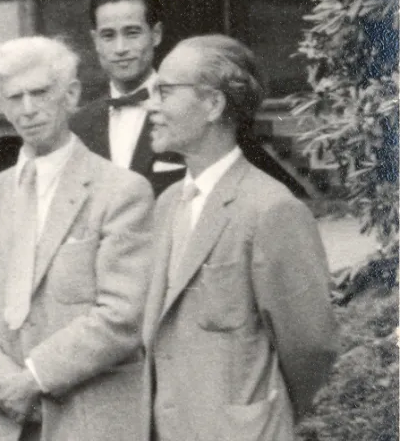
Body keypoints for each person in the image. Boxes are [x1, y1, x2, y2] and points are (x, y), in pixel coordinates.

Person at [0, 36, 153, 441]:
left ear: (71, 94)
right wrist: (6, 381)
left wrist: (35, 377)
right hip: (2, 418)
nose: (27, 109)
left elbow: (121, 315)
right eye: (14, 97)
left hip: (88, 418)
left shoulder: (121, 192)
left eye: (40, 93)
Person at [142, 35, 336, 441]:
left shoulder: (270, 209)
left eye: (164, 91)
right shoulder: (166, 205)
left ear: (213, 105)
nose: (151, 106)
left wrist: (257, 419)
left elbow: (310, 348)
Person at [69, 0, 186, 195]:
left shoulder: (187, 112)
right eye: (108, 36)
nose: (120, 48)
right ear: (95, 41)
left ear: (156, 34)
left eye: (132, 33)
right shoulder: (77, 126)